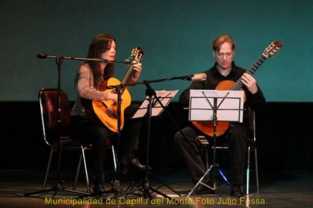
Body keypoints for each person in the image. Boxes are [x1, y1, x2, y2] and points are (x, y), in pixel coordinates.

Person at [174, 34, 265, 197]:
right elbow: (183, 99)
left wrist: (253, 91)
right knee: (181, 136)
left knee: (238, 134)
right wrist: (208, 95)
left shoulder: (243, 76)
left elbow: (261, 105)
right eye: (221, 54)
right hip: (209, 129)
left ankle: (236, 186)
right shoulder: (205, 76)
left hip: (232, 130)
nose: (224, 58)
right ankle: (204, 181)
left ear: (233, 54)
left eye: (228, 54)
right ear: (214, 54)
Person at [71, 33, 145, 195]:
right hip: (83, 119)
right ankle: (98, 181)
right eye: (109, 48)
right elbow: (83, 91)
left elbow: (120, 89)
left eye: (115, 48)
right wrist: (106, 95)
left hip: (102, 118)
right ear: (98, 50)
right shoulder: (86, 68)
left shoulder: (108, 72)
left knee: (135, 110)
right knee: (100, 133)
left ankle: (127, 158)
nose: (113, 51)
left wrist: (134, 74)